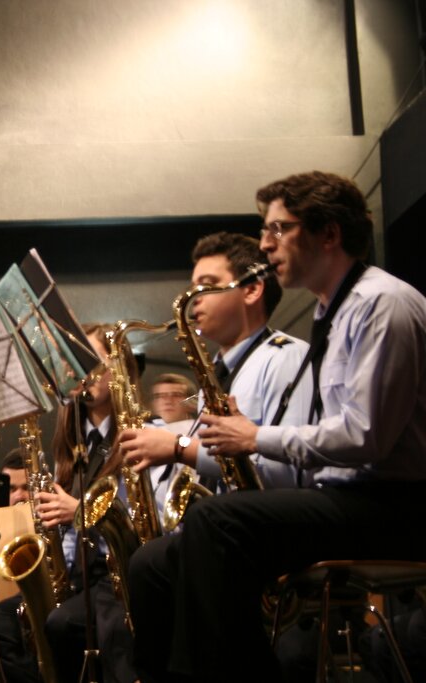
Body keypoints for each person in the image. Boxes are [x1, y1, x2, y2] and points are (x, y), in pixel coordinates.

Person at [127, 171, 426, 683]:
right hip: (352, 500)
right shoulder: (336, 309)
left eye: (278, 229)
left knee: (216, 523)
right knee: (150, 563)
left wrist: (254, 437)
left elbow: (364, 437)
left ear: (328, 234)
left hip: (396, 506)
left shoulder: (382, 303)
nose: (266, 244)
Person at [0, 325, 139, 683]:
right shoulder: (71, 445)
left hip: (118, 579)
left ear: (120, 369)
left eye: (93, 361)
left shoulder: (139, 433)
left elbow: (141, 524)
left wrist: (78, 514)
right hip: (75, 579)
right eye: (74, 364)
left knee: (59, 625)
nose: (82, 372)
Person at [119, 232, 311, 492]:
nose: (194, 297)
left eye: (207, 285)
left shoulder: (286, 357)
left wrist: (179, 448)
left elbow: (291, 475)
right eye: (192, 287)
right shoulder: (217, 373)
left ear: (252, 289)